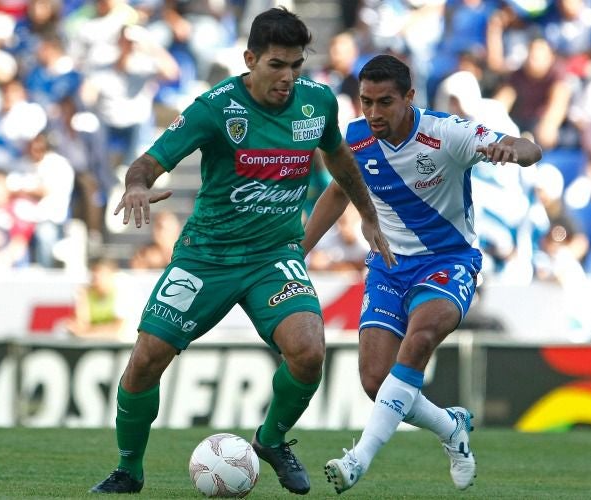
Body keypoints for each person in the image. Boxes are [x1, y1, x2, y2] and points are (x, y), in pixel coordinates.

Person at [89, 7, 393, 495]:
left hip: (274, 256)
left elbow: (340, 159)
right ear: (250, 59)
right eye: (277, 65)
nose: (288, 77)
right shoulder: (215, 107)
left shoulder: (316, 103)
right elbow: (148, 162)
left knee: (309, 351)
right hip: (206, 257)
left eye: (296, 65)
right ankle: (129, 468)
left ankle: (271, 440)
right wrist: (137, 186)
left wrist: (370, 216)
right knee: (146, 358)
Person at [302, 54, 542, 493]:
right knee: (377, 381)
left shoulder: (446, 133)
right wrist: (300, 250)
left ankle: (358, 459)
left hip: (448, 262)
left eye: (385, 102)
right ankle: (450, 427)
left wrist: (514, 151)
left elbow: (530, 149)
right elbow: (339, 191)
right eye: (366, 102)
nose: (373, 113)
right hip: (390, 267)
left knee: (420, 339)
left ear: (410, 97)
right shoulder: (355, 139)